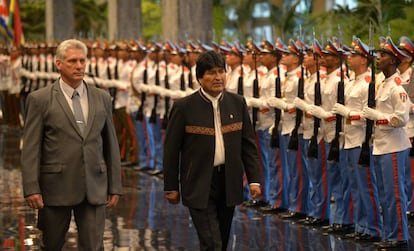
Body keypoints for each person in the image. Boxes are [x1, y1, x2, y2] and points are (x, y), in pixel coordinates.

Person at [21, 39, 123, 250]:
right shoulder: (40, 99)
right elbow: (31, 147)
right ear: (59, 64)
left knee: (94, 246)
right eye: (72, 61)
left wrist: (115, 185)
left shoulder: (102, 97)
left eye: (82, 61)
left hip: (94, 187)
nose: (79, 66)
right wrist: (31, 188)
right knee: (52, 245)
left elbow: (111, 144)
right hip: (55, 189)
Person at [163, 50, 262, 251]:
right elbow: (171, 150)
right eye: (210, 73)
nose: (217, 77)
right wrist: (171, 186)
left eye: (221, 72)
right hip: (199, 182)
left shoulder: (237, 103)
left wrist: (254, 179)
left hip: (228, 181)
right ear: (199, 77)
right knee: (212, 243)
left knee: (222, 241)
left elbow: (248, 145)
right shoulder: (184, 107)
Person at [363, 36, 411, 249]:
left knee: (394, 195)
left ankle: (399, 237)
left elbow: (401, 119)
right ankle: (389, 234)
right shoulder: (383, 84)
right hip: (381, 145)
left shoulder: (397, 88)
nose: (378, 58)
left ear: (393, 61)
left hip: (393, 146)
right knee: (384, 194)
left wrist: (376, 116)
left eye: (383, 55)